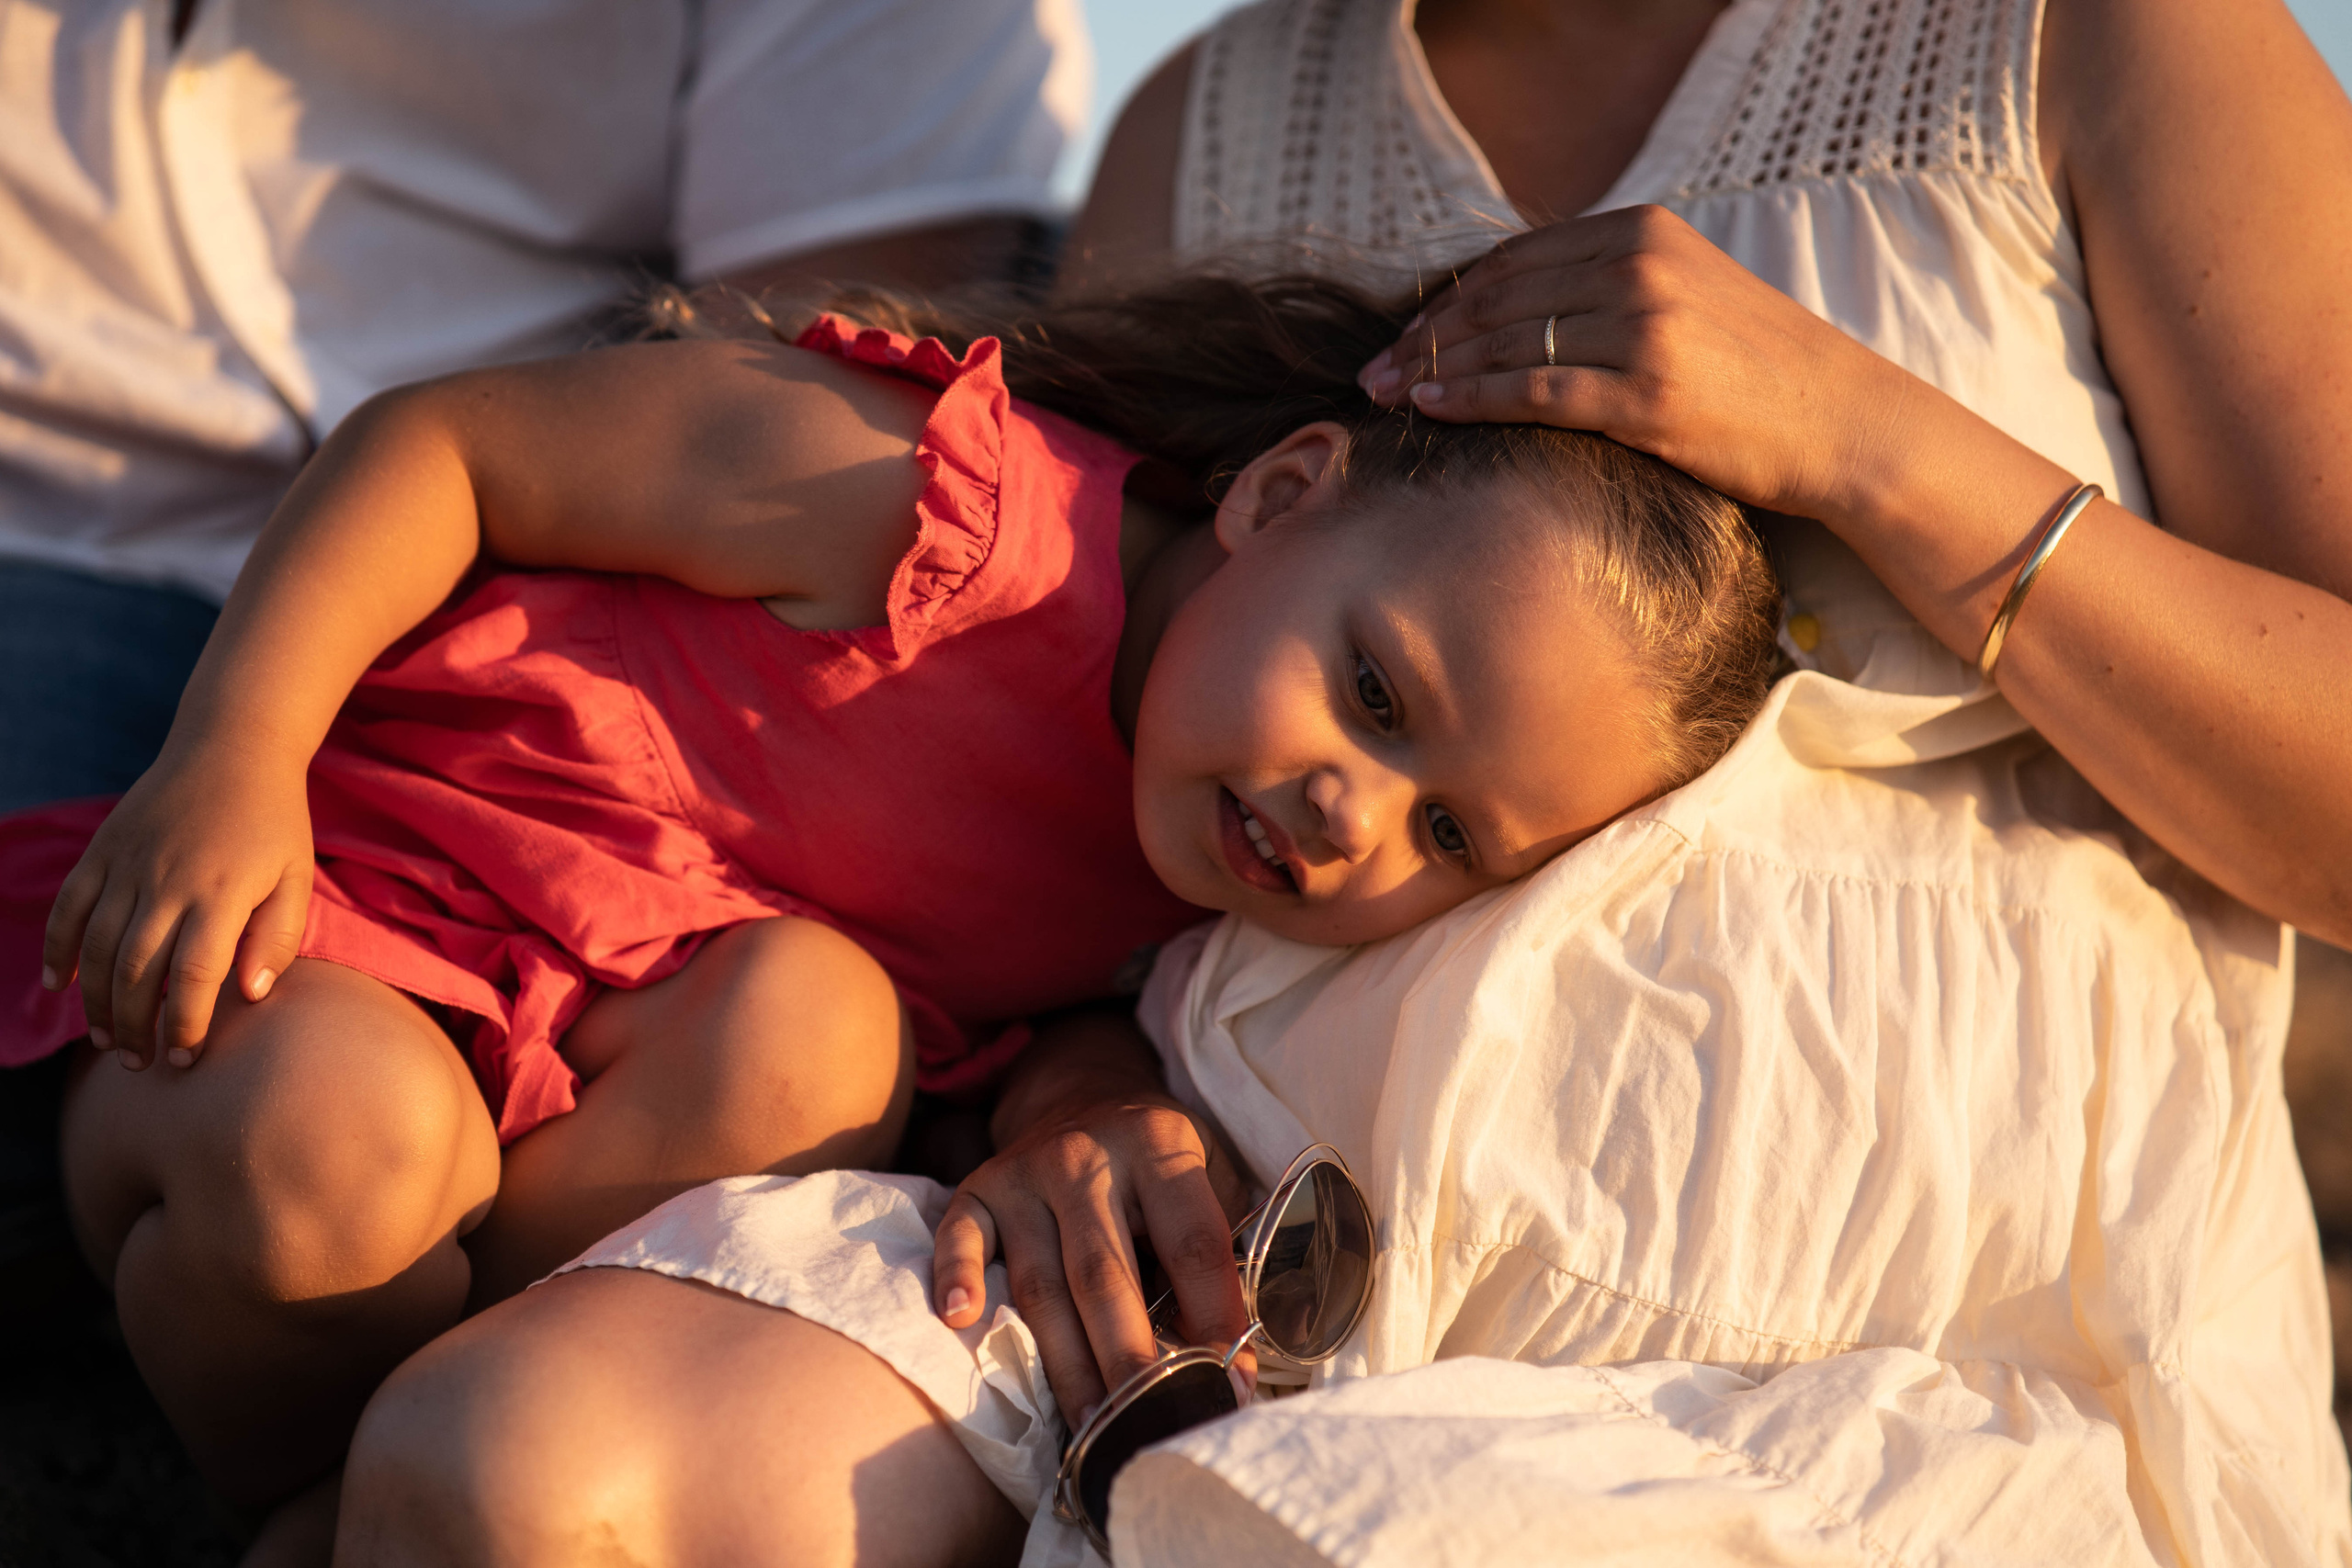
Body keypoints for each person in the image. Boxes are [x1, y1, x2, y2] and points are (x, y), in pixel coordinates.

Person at [328, 0, 2352, 1563]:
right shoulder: (1204, 118)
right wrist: (1069, 1095)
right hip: (1217, 1280)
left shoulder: (2089, 39)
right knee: (516, 1475)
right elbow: (1060, 773)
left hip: (1894, 1341)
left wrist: (1867, 442)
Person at [0, 275, 1781, 1547]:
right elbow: (444, 448)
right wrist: (230, 758)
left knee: (817, 1025)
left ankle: (380, 1487)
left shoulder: (1197, 868)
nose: (1348, 811)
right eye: (1376, 693)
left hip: (600, 1080)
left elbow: (1050, 1019)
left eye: (1447, 829)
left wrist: (1082, 1095)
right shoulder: (945, 505)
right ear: (1278, 493)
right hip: (331, 905)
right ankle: (282, 1492)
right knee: (344, 1146)